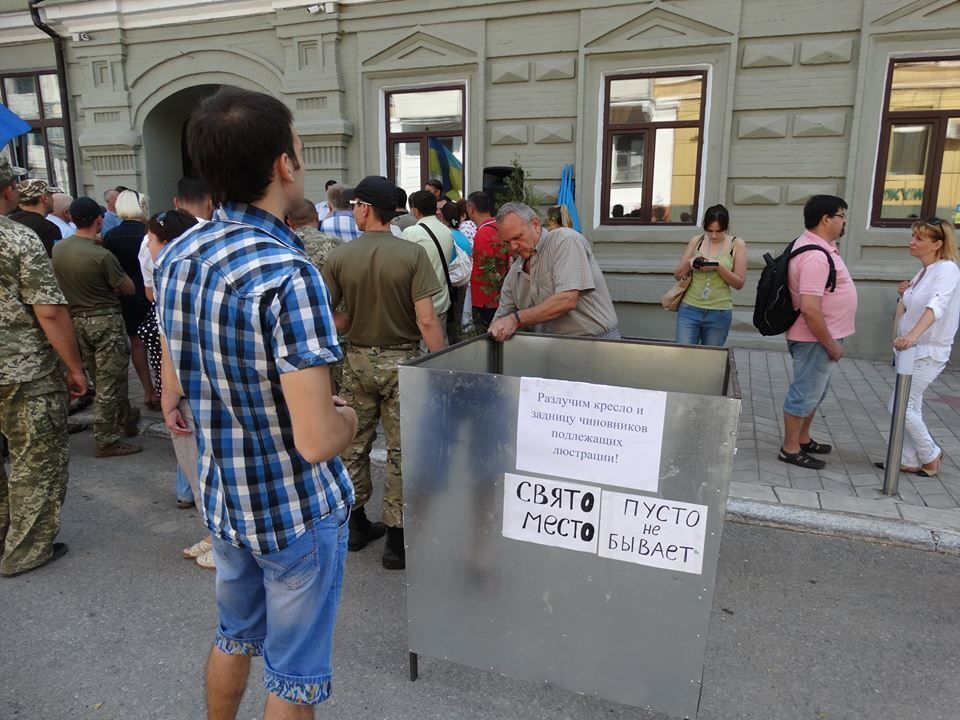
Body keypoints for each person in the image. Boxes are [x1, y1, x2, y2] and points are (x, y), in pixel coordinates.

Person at [154, 86, 357, 719]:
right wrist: (346, 415)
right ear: (283, 164)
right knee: (293, 679)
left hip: (226, 493)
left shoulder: (180, 252)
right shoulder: (286, 274)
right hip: (293, 507)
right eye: (297, 147)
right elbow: (318, 439)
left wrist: (173, 397)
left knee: (233, 635)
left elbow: (178, 364)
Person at [322, 175, 446, 570]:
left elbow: (329, 316)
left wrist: (353, 318)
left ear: (363, 207)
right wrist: (440, 367)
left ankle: (356, 527)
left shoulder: (341, 256)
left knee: (352, 444)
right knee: (401, 450)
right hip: (402, 362)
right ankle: (397, 541)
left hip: (356, 361)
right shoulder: (411, 255)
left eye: (356, 204)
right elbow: (427, 321)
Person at [0, 156, 87, 577]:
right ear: (8, 191)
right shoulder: (16, 239)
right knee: (37, 458)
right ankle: (26, 550)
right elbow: (49, 311)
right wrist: (75, 368)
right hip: (21, 370)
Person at [144, 207, 215, 568]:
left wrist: (168, 394)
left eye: (151, 241)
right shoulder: (208, 265)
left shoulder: (172, 274)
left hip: (192, 386)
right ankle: (215, 534)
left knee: (201, 464)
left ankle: (223, 540)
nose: (149, 247)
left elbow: (170, 337)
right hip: (215, 383)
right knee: (211, 465)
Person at [52, 197, 142, 458]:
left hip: (76, 320)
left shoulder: (60, 249)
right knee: (109, 381)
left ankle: (126, 417)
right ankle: (106, 438)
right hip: (105, 321)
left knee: (102, 374)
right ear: (98, 219)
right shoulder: (101, 255)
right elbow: (128, 288)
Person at [778, 195, 857, 470]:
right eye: (842, 215)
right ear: (826, 219)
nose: (845, 221)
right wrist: (831, 344)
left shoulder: (822, 247)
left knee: (815, 391)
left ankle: (803, 438)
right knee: (804, 392)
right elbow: (811, 308)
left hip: (819, 337)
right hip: (814, 338)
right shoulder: (814, 256)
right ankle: (790, 449)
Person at [884, 218, 960, 476]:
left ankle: (931, 453)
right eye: (913, 236)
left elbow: (936, 306)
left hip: (929, 351)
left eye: (919, 238)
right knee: (910, 405)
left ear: (938, 243)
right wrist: (905, 292)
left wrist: (913, 336)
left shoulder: (947, 270)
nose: (912, 242)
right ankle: (908, 459)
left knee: (900, 406)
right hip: (910, 352)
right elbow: (915, 304)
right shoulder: (925, 271)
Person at [488, 203, 620, 342]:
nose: (513, 247)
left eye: (517, 237)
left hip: (597, 343)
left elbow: (567, 300)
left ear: (535, 224)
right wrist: (496, 330)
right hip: (552, 347)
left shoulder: (565, 241)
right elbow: (502, 319)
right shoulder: (515, 274)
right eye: (508, 242)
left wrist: (516, 319)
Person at [103, 190, 156, 409]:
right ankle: (163, 387)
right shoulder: (149, 232)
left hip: (127, 294)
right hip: (150, 290)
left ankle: (147, 390)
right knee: (158, 342)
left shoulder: (111, 235)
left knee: (137, 343)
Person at [672, 204, 747, 346]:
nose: (713, 235)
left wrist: (717, 266)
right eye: (709, 230)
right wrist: (690, 263)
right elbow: (677, 275)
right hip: (689, 309)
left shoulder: (737, 244)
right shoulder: (697, 241)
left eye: (718, 231)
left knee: (711, 359)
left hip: (719, 312)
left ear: (726, 227)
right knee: (684, 357)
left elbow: (739, 283)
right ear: (704, 226)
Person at [402, 190, 454, 339]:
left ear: (415, 210)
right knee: (440, 347)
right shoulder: (447, 231)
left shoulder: (411, 233)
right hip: (442, 300)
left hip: (420, 304)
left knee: (422, 353)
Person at [466, 191, 507, 332]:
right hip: (498, 295)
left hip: (486, 298)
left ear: (471, 209)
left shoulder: (483, 232)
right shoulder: (499, 226)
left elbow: (487, 266)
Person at [441, 200, 473, 342]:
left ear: (442, 216)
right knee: (457, 319)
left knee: (445, 323)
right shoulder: (463, 238)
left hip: (445, 284)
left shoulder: (444, 236)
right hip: (462, 283)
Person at [10, 179, 61, 257]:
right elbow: (55, 260)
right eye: (50, 195)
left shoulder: (10, 221)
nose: (53, 199)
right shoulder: (48, 228)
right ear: (45, 198)